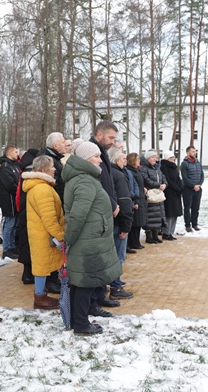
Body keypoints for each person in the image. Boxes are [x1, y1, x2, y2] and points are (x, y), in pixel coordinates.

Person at [62, 141, 122, 335]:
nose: (100, 160)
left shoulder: (86, 178)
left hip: (90, 238)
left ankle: (76, 320)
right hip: (88, 241)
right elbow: (78, 215)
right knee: (86, 283)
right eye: (96, 156)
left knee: (82, 282)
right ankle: (81, 324)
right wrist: (69, 239)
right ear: (86, 159)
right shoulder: (85, 181)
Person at [22, 155, 65, 310]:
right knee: (41, 266)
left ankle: (41, 295)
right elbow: (49, 218)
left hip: (41, 232)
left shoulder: (41, 186)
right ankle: (39, 297)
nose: (54, 169)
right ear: (44, 169)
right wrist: (60, 235)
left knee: (43, 264)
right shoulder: (42, 189)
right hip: (44, 234)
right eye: (52, 166)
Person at [89, 121, 122, 313]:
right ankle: (93, 300)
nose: (113, 142)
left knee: (104, 257)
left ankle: (100, 294)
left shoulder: (101, 152)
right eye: (110, 137)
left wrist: (114, 203)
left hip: (107, 210)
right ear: (99, 134)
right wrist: (111, 203)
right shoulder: (91, 152)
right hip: (98, 213)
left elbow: (108, 183)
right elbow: (96, 185)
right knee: (96, 259)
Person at [107, 147, 134, 299]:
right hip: (118, 223)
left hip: (110, 221)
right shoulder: (118, 175)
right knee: (118, 256)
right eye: (123, 159)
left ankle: (111, 282)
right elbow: (124, 201)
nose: (125, 161)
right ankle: (116, 287)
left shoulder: (106, 173)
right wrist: (126, 227)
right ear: (117, 160)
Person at [15, 149, 39, 285]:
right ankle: (28, 275)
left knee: (25, 243)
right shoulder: (30, 172)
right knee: (28, 244)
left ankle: (27, 273)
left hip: (24, 211)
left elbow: (18, 196)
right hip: (28, 211)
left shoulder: (24, 171)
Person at [0, 145, 21, 260]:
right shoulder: (5, 167)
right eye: (15, 152)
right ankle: (6, 249)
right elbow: (9, 184)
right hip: (9, 201)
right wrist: (18, 191)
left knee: (14, 225)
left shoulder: (14, 165)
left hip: (15, 200)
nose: (17, 154)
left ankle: (12, 246)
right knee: (9, 225)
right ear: (10, 153)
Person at [140, 149, 167, 244]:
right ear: (148, 158)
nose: (155, 159)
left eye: (155, 157)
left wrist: (164, 184)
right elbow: (146, 179)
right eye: (153, 157)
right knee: (150, 216)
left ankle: (155, 235)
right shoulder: (143, 168)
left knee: (157, 216)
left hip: (158, 195)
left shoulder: (156, 167)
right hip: (150, 195)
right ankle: (149, 236)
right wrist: (158, 185)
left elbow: (163, 177)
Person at [125, 152, 147, 251]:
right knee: (135, 223)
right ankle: (133, 243)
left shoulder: (136, 170)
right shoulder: (131, 171)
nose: (139, 161)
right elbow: (133, 187)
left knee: (139, 222)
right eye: (137, 159)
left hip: (141, 198)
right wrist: (135, 201)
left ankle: (136, 242)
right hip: (136, 199)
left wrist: (143, 188)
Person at [181, 146, 204, 232]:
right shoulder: (184, 164)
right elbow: (185, 178)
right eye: (193, 151)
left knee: (196, 208)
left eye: (195, 151)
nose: (195, 153)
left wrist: (199, 185)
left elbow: (202, 175)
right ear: (188, 153)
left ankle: (195, 224)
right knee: (187, 208)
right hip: (188, 189)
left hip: (198, 189)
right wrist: (193, 186)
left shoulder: (198, 163)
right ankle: (187, 225)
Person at [161, 150, 183, 240]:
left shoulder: (174, 167)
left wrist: (181, 187)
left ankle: (171, 232)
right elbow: (168, 180)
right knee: (169, 213)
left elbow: (178, 178)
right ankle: (166, 232)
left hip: (176, 193)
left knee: (175, 213)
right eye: (171, 157)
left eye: (173, 157)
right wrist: (177, 188)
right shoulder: (164, 167)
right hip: (169, 193)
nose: (173, 159)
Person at [39, 132, 66, 203]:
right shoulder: (47, 160)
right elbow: (54, 183)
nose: (65, 145)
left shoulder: (55, 158)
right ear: (55, 146)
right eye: (63, 142)